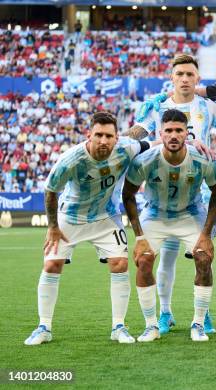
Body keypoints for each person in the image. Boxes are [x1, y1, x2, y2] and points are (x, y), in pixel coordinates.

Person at [24, 112, 152, 345]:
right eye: (98, 135)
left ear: (116, 138)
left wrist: (193, 142)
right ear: (89, 135)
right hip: (71, 216)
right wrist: (52, 226)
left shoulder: (126, 148)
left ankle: (118, 326)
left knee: (120, 263)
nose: (103, 141)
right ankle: (43, 326)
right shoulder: (71, 159)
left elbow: (151, 142)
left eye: (109, 136)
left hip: (105, 216)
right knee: (52, 264)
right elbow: (50, 191)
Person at [127, 54, 216, 335]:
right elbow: (133, 136)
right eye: (180, 74)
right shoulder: (157, 106)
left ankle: (203, 315)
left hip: (195, 189)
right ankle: (165, 313)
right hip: (160, 191)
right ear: (171, 78)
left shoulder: (207, 106)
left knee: (202, 256)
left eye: (190, 74)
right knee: (166, 258)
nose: (185, 79)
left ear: (197, 79)